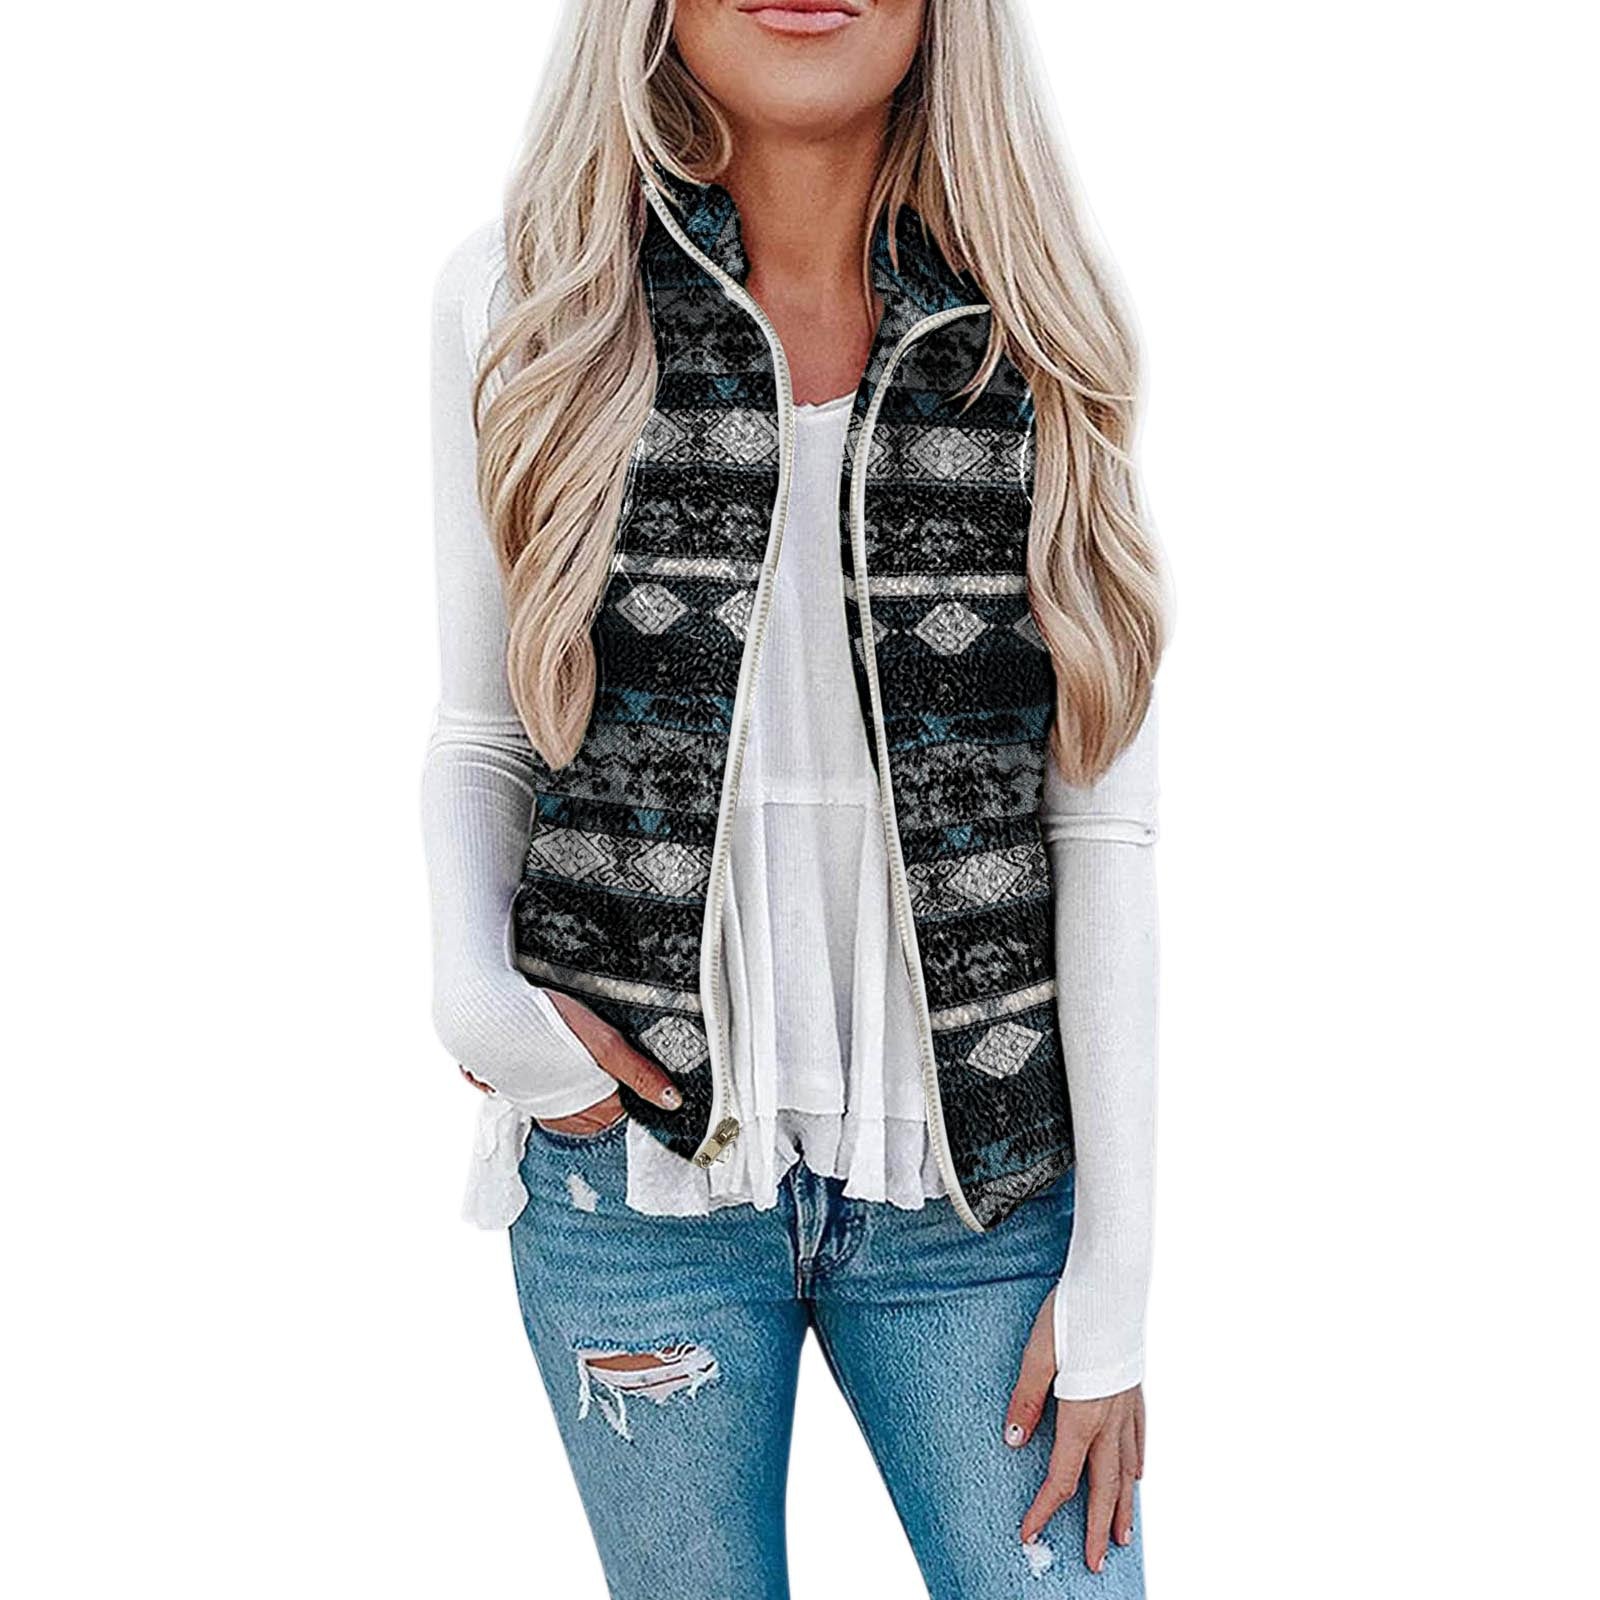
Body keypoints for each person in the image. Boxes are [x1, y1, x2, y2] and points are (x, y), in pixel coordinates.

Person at [422, 2, 1165, 1594]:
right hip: (635, 1188)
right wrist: (492, 1019)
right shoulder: (529, 301)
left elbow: (1099, 820)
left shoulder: (1031, 317)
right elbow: (483, 736)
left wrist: (1114, 1291)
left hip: (980, 1206)